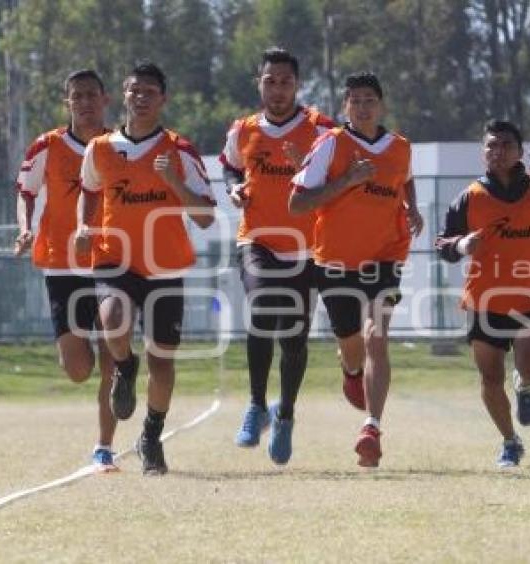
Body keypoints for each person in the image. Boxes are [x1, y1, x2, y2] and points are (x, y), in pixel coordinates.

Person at [77, 62, 216, 475]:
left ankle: (151, 436)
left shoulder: (180, 150)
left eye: (150, 92)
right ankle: (123, 365)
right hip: (114, 257)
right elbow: (89, 190)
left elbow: (206, 216)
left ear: (163, 99)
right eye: (134, 90)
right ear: (123, 95)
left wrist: (173, 180)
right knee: (111, 319)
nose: (141, 97)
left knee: (163, 364)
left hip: (164, 265)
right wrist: (85, 224)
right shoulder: (100, 148)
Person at [289, 72, 423, 467]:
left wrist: (411, 208)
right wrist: (348, 180)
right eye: (355, 101)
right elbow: (298, 204)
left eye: (370, 100)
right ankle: (350, 369)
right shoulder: (331, 145)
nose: (363, 107)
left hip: (386, 255)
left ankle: (372, 427)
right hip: (334, 260)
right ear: (345, 107)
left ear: (381, 105)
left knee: (375, 336)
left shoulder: (399, 147)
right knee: (353, 346)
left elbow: (406, 180)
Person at [220, 47, 335, 465]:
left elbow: (339, 175)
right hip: (258, 239)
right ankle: (255, 403)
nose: (278, 89)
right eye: (270, 81)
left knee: (294, 337)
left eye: (286, 81)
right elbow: (230, 166)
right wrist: (233, 186)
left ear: (297, 85)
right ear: (259, 82)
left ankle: (284, 414)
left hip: (307, 246)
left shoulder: (322, 128)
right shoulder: (243, 130)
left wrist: (303, 168)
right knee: (263, 309)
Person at [14, 69, 118, 472]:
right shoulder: (48, 146)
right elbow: (25, 191)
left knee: (112, 359)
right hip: (61, 265)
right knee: (78, 370)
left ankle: (104, 448)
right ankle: (96, 348)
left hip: (110, 261)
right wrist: (24, 228)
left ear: (105, 99)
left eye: (92, 94)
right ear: (67, 102)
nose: (86, 102)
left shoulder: (117, 146)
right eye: (78, 96)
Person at [436, 120, 530, 468]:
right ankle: (509, 441)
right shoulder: (469, 198)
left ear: (520, 151)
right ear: (483, 152)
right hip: (485, 299)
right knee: (490, 377)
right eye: (491, 146)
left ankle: (526, 387)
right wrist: (461, 243)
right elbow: (442, 243)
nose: (497, 151)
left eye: (505, 145)